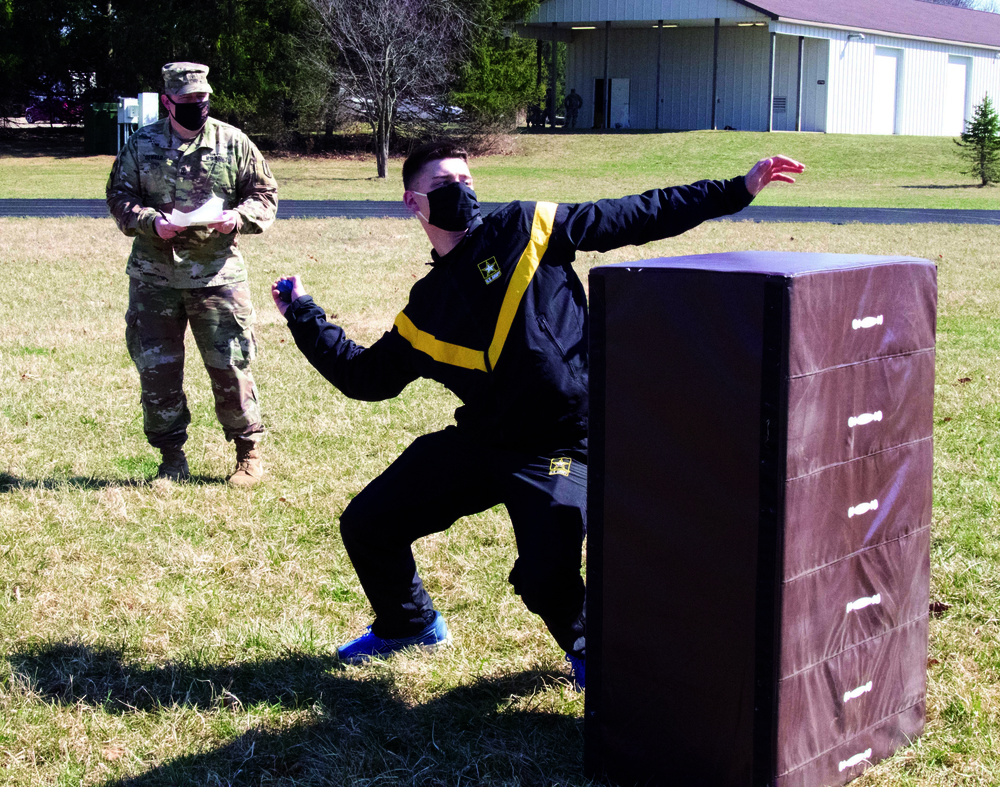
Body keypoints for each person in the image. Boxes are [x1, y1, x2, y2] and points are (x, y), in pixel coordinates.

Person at [272, 141, 804, 688]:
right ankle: (409, 624)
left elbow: (633, 215)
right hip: (483, 440)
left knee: (546, 571)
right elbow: (366, 378)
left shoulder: (526, 227)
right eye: (444, 184)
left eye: (467, 177)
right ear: (414, 202)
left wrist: (735, 190)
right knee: (368, 522)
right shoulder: (427, 305)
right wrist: (303, 314)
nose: (463, 190)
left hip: (563, 442)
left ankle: (590, 653)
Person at [107, 62, 278, 485]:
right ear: (167, 102)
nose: (196, 108)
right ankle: (171, 459)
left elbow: (265, 195)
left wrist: (238, 218)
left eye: (202, 101)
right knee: (158, 371)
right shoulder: (141, 144)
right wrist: (150, 222)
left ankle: (249, 453)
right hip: (154, 278)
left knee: (232, 366)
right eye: (186, 102)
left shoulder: (233, 141)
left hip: (218, 277)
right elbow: (119, 195)